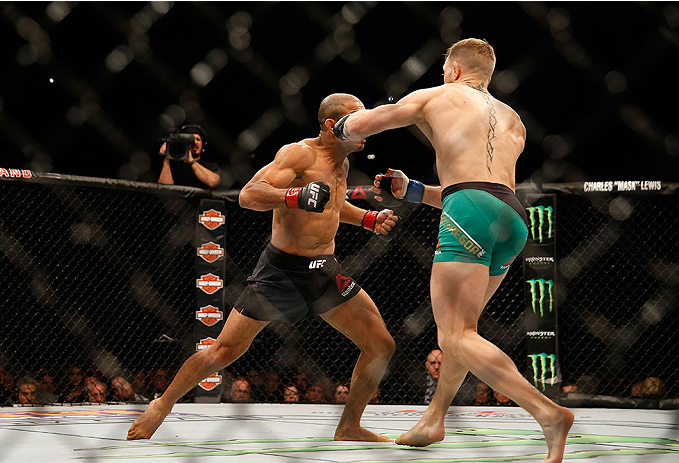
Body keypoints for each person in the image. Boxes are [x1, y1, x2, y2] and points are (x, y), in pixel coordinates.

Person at [335, 38, 574, 461]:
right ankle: (434, 419)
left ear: (455, 70)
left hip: (469, 210)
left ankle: (547, 412)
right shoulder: (513, 119)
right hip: (510, 216)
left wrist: (339, 126)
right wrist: (411, 191)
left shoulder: (439, 94)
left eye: (445, 69)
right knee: (463, 333)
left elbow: (363, 126)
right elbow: (476, 184)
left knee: (456, 334)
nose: (443, 75)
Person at [127, 93, 398, 442]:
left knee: (381, 345)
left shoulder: (341, 163)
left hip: (324, 269)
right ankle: (161, 406)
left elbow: (330, 205)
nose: (368, 126)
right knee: (224, 351)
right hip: (281, 273)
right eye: (358, 120)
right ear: (333, 126)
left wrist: (368, 219)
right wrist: (294, 196)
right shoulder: (299, 154)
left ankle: (349, 427)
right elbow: (249, 194)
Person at [158, 124, 221, 189]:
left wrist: (191, 161)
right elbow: (165, 189)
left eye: (198, 139)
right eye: (191, 140)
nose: (195, 142)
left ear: (202, 144)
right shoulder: (173, 166)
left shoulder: (210, 166)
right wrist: (166, 159)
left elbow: (212, 182)